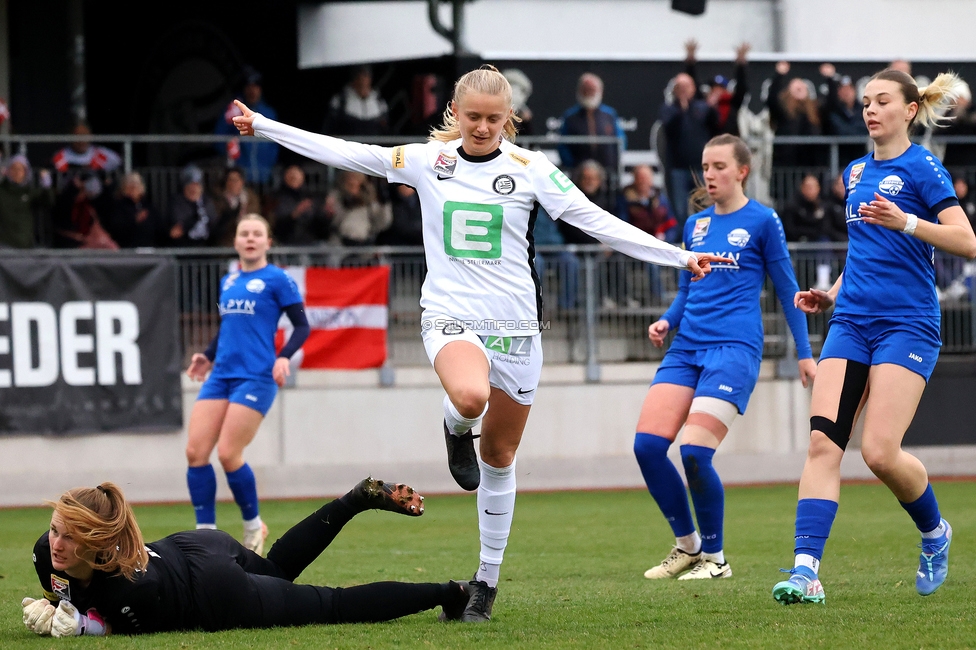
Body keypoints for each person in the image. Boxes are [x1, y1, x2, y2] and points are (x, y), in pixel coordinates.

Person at [230, 64, 730, 622]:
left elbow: (597, 221)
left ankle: (486, 581)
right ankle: (454, 422)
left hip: (517, 329)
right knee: (471, 397)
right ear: (456, 114)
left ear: (508, 119)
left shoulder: (531, 168)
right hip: (450, 316)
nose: (483, 128)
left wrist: (679, 255)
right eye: (473, 117)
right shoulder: (427, 161)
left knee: (499, 457)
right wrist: (267, 128)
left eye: (494, 119)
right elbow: (352, 152)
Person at [771, 68, 976, 605]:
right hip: (851, 322)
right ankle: (805, 570)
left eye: (882, 101)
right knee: (822, 443)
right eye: (865, 101)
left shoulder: (923, 167)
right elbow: (864, 250)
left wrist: (907, 221)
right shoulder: (856, 170)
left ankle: (935, 533)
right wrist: (833, 292)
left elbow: (967, 242)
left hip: (907, 325)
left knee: (881, 453)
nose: (870, 109)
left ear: (909, 111)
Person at [636, 134, 815, 581]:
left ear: (741, 171)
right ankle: (688, 547)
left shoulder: (763, 221)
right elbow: (686, 288)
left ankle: (716, 560)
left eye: (719, 167)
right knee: (648, 448)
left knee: (694, 451)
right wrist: (666, 320)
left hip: (734, 349)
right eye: (705, 167)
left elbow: (787, 289)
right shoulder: (694, 225)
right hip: (687, 347)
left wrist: (806, 354)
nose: (709, 175)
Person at [20, 478, 482, 636]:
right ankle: (354, 501)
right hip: (197, 545)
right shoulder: (46, 552)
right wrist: (54, 606)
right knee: (279, 569)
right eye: (56, 530)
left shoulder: (135, 588)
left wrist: (82, 625)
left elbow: (116, 624)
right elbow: (62, 592)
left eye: (71, 537)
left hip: (216, 592)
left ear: (101, 543)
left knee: (334, 606)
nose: (56, 544)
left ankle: (453, 592)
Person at [183, 213, 310, 556]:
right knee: (196, 453)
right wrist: (207, 356)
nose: (250, 238)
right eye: (244, 234)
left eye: (257, 233)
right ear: (236, 242)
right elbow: (228, 327)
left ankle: (254, 526)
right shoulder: (228, 280)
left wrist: (284, 356)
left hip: (256, 376)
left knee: (228, 453)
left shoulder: (277, 279)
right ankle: (205, 534)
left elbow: (302, 326)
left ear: (268, 242)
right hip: (220, 375)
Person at [659, 65, 719, 228]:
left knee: (705, 206)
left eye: (687, 87)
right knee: (679, 210)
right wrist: (682, 110)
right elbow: (669, 128)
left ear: (694, 88)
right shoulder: (669, 109)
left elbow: (715, 124)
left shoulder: (702, 107)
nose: (684, 90)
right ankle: (683, 242)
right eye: (680, 87)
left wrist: (713, 107)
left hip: (700, 167)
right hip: (678, 168)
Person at [216, 67, 279, 185]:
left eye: (256, 86)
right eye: (249, 87)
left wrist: (270, 163)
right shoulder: (233, 111)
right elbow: (219, 139)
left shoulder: (269, 112)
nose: (252, 91)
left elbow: (275, 142)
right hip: (240, 175)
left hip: (264, 175)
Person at [558, 72, 627, 174]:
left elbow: (621, 140)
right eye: (585, 89)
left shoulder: (609, 115)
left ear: (600, 91)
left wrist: (613, 161)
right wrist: (572, 164)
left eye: (592, 89)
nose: (588, 93)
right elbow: (562, 145)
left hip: (607, 171)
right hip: (578, 173)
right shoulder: (570, 116)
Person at [685, 39, 751, 137]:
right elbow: (693, 85)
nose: (718, 91)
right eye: (714, 87)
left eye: (721, 88)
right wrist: (690, 63)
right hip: (709, 144)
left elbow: (741, 87)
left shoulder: (733, 103)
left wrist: (740, 65)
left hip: (729, 144)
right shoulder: (704, 104)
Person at [766, 61, 823, 171]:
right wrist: (779, 75)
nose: (799, 86)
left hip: (810, 161)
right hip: (786, 161)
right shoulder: (783, 110)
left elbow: (831, 105)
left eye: (802, 85)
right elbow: (772, 99)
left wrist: (830, 80)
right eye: (795, 85)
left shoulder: (815, 110)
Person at [325, 170, 392, 246]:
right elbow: (332, 222)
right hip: (340, 243)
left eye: (355, 177)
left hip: (364, 244)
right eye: (349, 177)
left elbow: (382, 223)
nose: (352, 180)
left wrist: (384, 205)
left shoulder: (370, 198)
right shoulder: (336, 197)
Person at [0, 154, 54, 248]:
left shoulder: (30, 192)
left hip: (25, 245)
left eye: (20, 169)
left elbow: (48, 202)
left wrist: (46, 187)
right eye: (13, 169)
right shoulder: (2, 191)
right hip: (4, 245)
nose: (16, 173)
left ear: (26, 172)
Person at [268, 164, 330, 245]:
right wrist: (295, 214)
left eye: (296, 174)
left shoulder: (312, 197)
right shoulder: (275, 198)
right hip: (285, 242)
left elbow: (322, 230)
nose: (294, 177)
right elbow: (275, 226)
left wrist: (326, 215)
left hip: (311, 242)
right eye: (290, 174)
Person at [323, 65, 390, 137]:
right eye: (358, 77)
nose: (362, 81)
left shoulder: (380, 103)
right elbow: (330, 129)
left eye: (366, 76)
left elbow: (386, 130)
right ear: (353, 80)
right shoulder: (340, 102)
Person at [106, 171, 166, 248]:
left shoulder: (149, 207)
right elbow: (116, 230)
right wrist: (134, 221)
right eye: (130, 184)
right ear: (124, 188)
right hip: (128, 252)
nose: (133, 188)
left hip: (150, 251)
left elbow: (160, 229)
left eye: (136, 184)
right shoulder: (118, 207)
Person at [167, 164, 220, 247]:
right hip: (184, 247)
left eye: (197, 185)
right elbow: (176, 230)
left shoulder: (207, 202)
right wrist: (193, 218)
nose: (193, 188)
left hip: (206, 247)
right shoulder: (177, 202)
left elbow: (214, 224)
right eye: (190, 185)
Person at [212, 166, 262, 247]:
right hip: (227, 241)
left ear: (242, 182)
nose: (233, 183)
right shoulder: (218, 199)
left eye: (236, 180)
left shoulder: (252, 199)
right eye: (230, 180)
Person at [51, 121, 122, 176]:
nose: (81, 140)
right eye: (77, 136)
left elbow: (120, 167)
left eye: (84, 135)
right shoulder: (59, 158)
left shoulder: (106, 156)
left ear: (90, 136)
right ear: (70, 136)